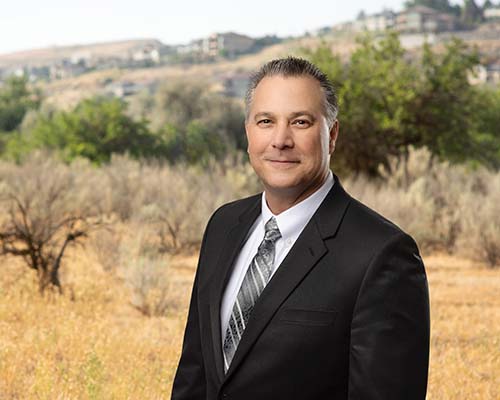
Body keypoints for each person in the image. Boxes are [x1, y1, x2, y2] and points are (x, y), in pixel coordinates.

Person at [171, 57, 430, 400]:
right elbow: (195, 375)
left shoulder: (381, 254)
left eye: (301, 122)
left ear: (332, 134)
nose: (280, 140)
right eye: (266, 121)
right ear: (248, 131)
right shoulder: (223, 226)